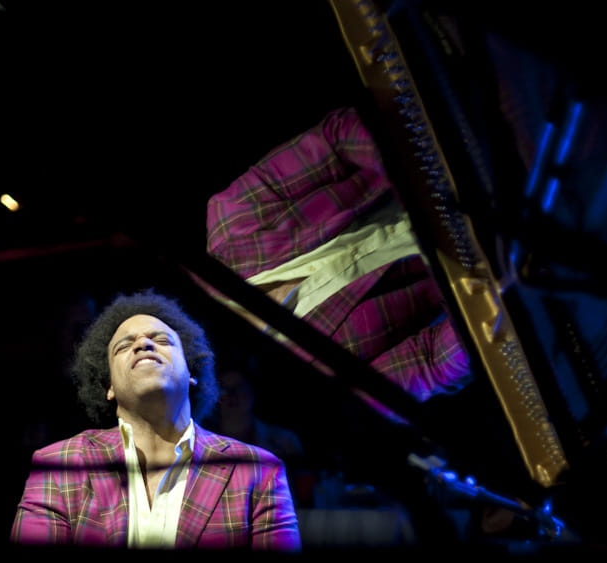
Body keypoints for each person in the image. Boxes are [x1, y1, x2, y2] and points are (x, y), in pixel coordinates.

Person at [202, 106, 472, 423]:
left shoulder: (230, 225)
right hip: (479, 258)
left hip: (446, 147)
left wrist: (413, 170)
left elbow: (336, 139)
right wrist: (486, 304)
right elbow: (431, 364)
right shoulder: (318, 383)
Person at [10, 290, 301, 550]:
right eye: (123, 346)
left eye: (161, 340)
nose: (143, 344)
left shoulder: (259, 470)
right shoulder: (59, 465)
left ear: (191, 372)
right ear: (109, 386)